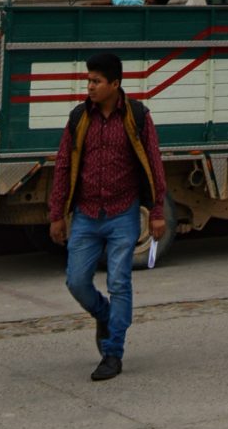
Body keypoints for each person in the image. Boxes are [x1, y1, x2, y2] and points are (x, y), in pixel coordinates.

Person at [48, 51, 167, 380]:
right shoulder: (78, 118)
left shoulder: (137, 117)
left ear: (115, 84)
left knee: (119, 281)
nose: (90, 87)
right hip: (85, 215)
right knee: (76, 281)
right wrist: (57, 214)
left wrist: (157, 212)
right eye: (88, 80)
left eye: (96, 81)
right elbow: (62, 165)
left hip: (123, 213)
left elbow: (155, 163)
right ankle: (104, 314)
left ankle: (113, 352)